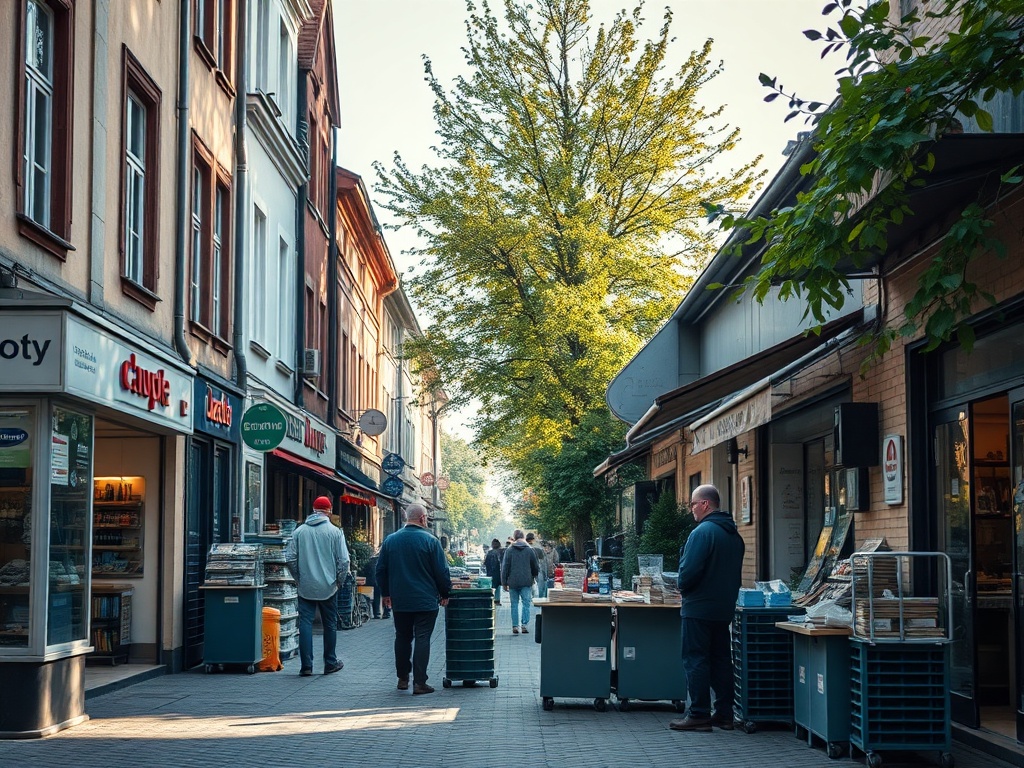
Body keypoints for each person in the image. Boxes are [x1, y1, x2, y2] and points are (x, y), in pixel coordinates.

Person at [669, 484, 745, 732]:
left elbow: (688, 572)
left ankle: (699, 713)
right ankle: (724, 714)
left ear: (705, 504)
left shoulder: (702, 533)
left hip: (698, 608)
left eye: (693, 504)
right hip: (723, 609)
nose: (691, 509)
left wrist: (682, 586)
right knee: (721, 659)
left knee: (696, 659)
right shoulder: (734, 535)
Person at [376, 503, 452, 695]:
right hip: (426, 600)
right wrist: (445, 593)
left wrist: (385, 593)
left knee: (402, 637)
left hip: (400, 600)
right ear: (423, 519)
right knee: (422, 637)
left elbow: (380, 570)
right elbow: (441, 572)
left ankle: (402, 679)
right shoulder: (431, 541)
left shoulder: (391, 541)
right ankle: (420, 682)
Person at [284, 495, 350, 677]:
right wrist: (339, 580)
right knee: (330, 624)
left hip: (305, 585)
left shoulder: (299, 531)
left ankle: (306, 665)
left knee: (305, 623)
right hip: (329, 586)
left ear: (313, 510)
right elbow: (344, 561)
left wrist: (297, 578)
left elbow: (289, 557)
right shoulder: (335, 532)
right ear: (328, 511)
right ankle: (330, 662)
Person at [501, 529, 538, 635]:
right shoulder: (529, 550)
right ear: (524, 537)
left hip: (512, 581)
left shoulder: (509, 550)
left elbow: (505, 567)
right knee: (526, 603)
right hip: (526, 581)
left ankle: (515, 626)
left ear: (515, 537)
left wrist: (504, 582)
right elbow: (535, 566)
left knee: (514, 604)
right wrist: (534, 577)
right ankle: (524, 625)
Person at [361, 549, 389, 619]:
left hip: (374, 580)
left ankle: (377, 613)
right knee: (386, 594)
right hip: (382, 579)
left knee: (376, 595)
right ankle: (386, 612)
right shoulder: (384, 559)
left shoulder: (371, 560)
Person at [526, 532, 547, 599]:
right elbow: (543, 561)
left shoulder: (524, 547)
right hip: (538, 568)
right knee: (540, 584)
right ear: (533, 539)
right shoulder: (538, 548)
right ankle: (540, 598)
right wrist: (545, 573)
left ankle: (530, 597)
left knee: (529, 585)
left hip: (527, 569)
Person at [483, 539, 503, 605]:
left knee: (492, 586)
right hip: (498, 572)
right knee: (498, 586)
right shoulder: (501, 552)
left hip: (490, 573)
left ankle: (491, 600)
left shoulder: (489, 553)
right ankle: (497, 600)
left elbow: (486, 563)